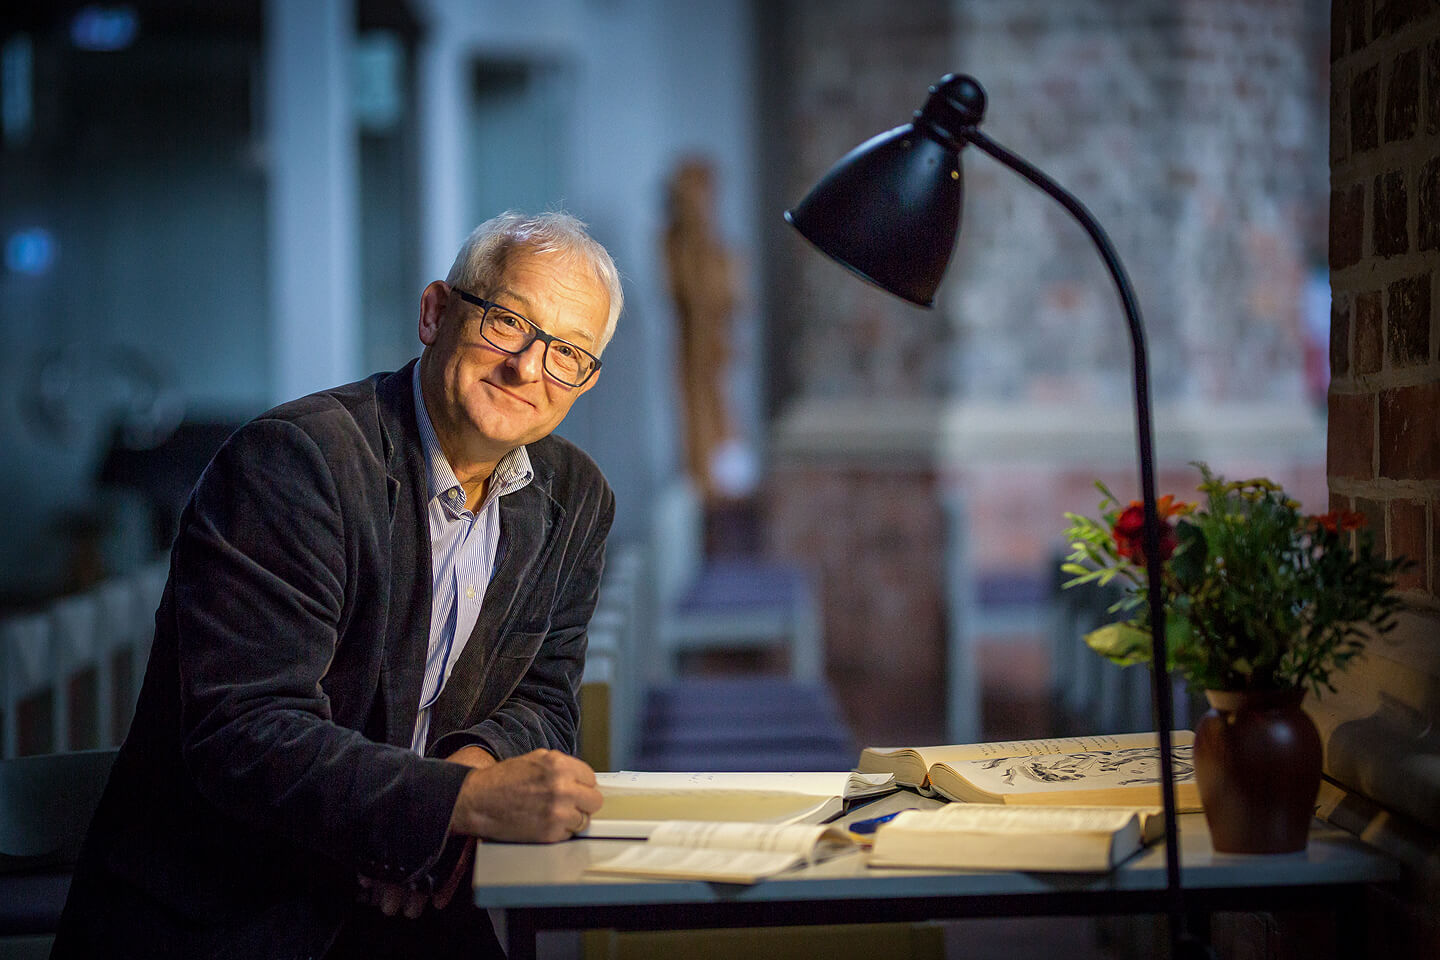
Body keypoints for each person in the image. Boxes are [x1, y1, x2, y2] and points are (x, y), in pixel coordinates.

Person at [53, 211, 622, 959]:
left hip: (413, 902)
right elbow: (245, 734)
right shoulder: (294, 464)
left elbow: (544, 699)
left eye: (566, 353)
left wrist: (445, 810)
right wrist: (453, 807)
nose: (527, 368)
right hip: (235, 907)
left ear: (585, 380)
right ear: (435, 312)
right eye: (509, 321)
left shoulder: (574, 496)